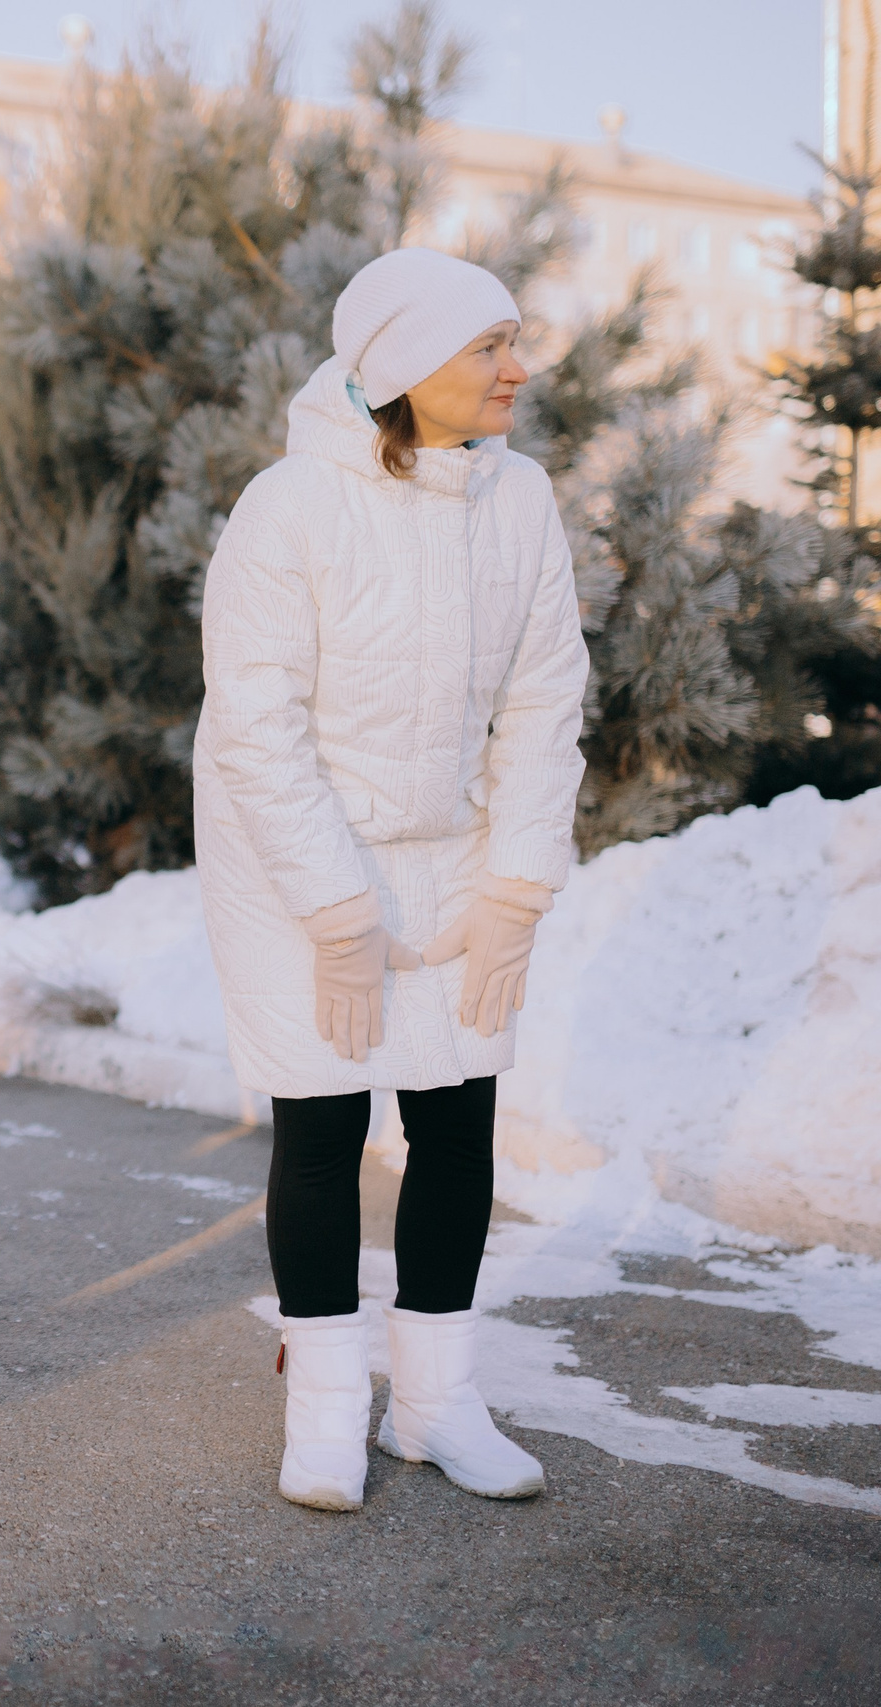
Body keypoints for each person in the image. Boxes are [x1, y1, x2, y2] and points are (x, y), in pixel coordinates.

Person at [194, 247, 588, 1513]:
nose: (516, 368)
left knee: (457, 1118)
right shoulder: (289, 508)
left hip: (450, 846)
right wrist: (336, 909)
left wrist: (517, 888)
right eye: (487, 347)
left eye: (512, 341)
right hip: (293, 854)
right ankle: (322, 1410)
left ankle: (434, 1401)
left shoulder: (516, 499)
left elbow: (542, 697)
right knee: (321, 1122)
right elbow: (257, 726)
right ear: (404, 369)